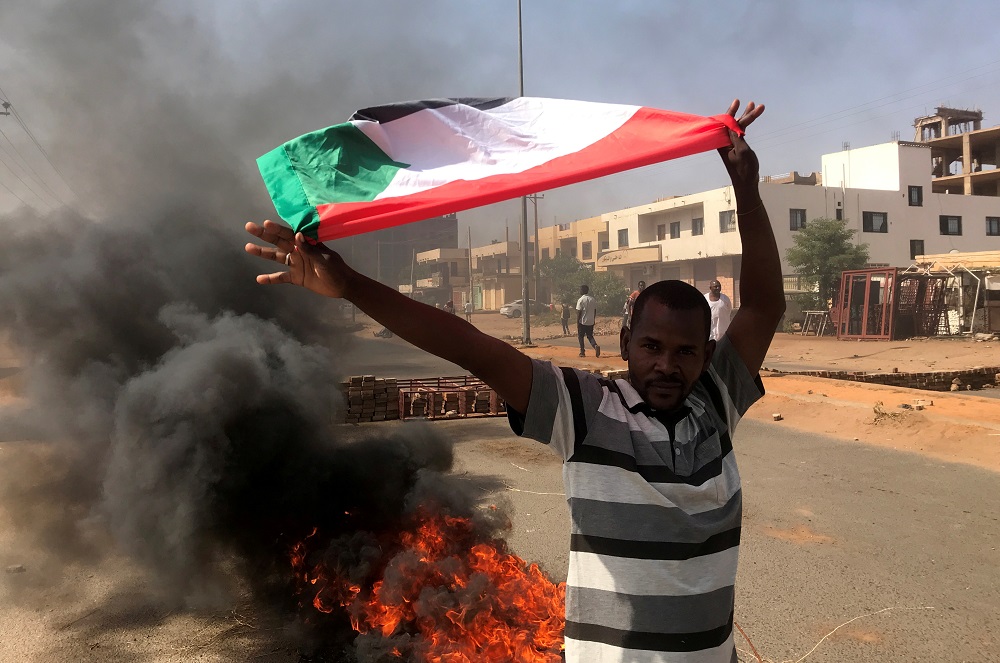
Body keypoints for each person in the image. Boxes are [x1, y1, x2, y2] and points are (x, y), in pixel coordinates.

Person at [245, 99, 783, 663]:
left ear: (708, 355)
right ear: (625, 345)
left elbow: (766, 303)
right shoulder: (587, 410)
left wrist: (746, 185)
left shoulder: (715, 404)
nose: (667, 365)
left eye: (685, 351)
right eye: (651, 346)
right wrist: (352, 284)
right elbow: (471, 347)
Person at [575, 284, 600, 358]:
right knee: (590, 336)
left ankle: (582, 352)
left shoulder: (581, 300)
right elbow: (595, 311)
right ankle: (595, 345)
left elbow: (579, 312)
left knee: (580, 336)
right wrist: (593, 319)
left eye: (580, 290)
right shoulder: (592, 299)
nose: (579, 291)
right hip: (590, 321)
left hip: (582, 321)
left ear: (582, 291)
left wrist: (577, 322)